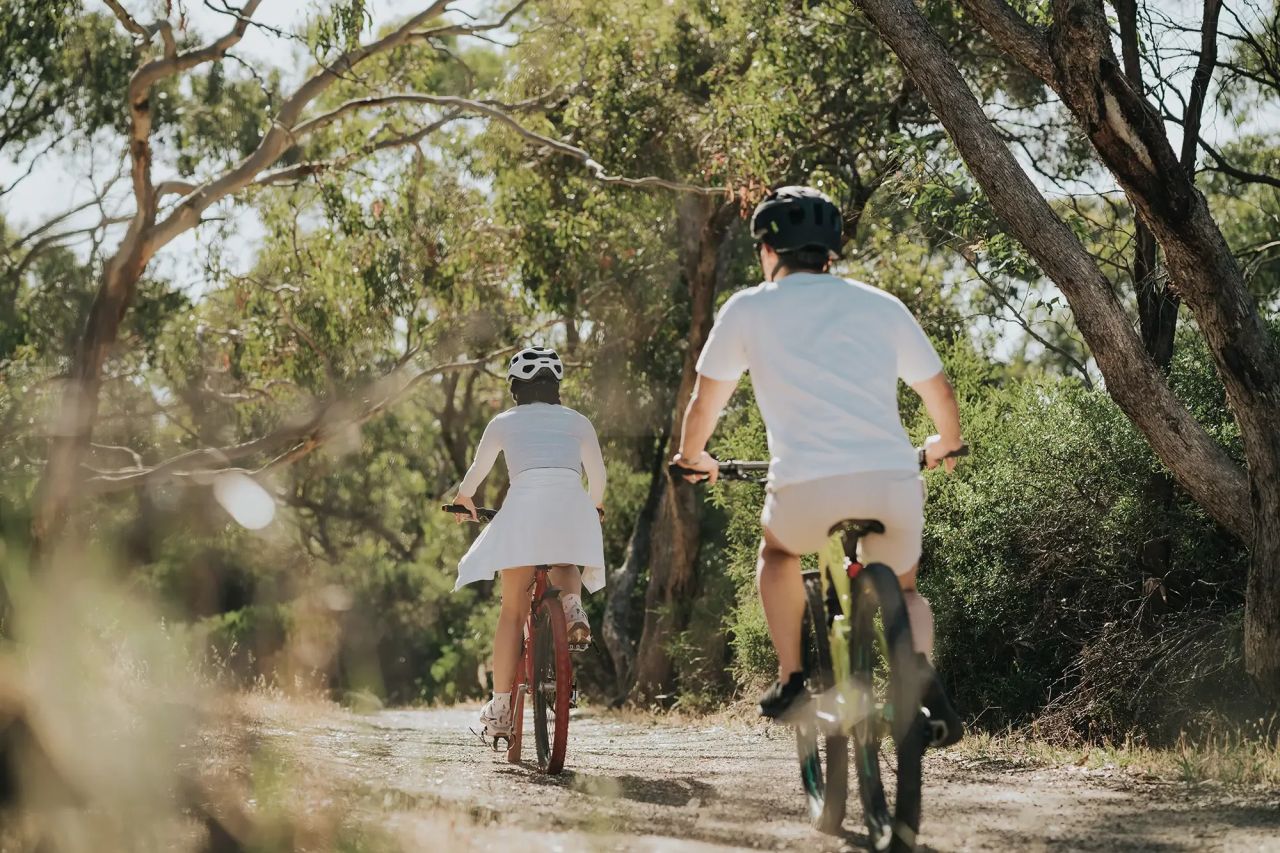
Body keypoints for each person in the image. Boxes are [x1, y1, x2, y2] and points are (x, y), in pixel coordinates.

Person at [672, 186, 965, 746]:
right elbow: (941, 394)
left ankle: (792, 679)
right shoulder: (880, 304)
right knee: (904, 591)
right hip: (891, 482)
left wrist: (692, 457)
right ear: (831, 251)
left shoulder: (749, 307)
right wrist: (945, 444)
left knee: (778, 553)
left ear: (767, 251)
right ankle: (923, 678)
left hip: (806, 488)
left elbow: (704, 404)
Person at [450, 345, 607, 740]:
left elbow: (477, 471)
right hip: (571, 502)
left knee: (511, 612)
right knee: (565, 560)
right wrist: (596, 506)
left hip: (523, 508)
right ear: (556, 387)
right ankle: (572, 610)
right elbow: (598, 476)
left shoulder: (504, 421)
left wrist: (463, 500)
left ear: (515, 388)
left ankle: (501, 708)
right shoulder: (578, 421)